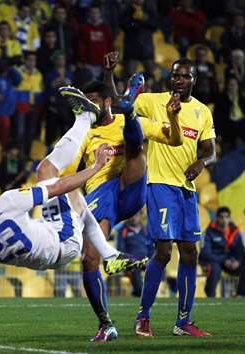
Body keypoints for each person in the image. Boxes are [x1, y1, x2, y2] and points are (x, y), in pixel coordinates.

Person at [0, 86, 148, 346]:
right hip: (63, 241)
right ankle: (84, 118)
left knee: (72, 196)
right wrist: (97, 167)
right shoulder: (7, 202)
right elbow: (58, 186)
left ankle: (111, 256)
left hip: (44, 256)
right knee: (47, 171)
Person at [68, 58, 183, 341]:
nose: (88, 107)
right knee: (89, 258)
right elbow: (67, 177)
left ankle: (130, 109)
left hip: (131, 188)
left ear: (108, 102)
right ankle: (105, 323)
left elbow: (175, 140)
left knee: (135, 149)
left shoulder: (120, 121)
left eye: (93, 101)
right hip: (100, 194)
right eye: (85, 103)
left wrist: (174, 116)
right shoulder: (84, 133)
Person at [104, 54, 216, 337]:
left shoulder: (203, 112)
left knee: (190, 253)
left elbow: (210, 150)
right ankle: (143, 316)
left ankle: (183, 321)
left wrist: (202, 162)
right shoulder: (153, 101)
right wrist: (109, 73)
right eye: (176, 75)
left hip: (186, 189)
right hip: (159, 184)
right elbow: (118, 101)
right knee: (164, 251)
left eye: (185, 76)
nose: (179, 80)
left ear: (194, 80)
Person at [199, 206, 245, 297]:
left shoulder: (234, 232)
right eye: (221, 217)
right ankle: (210, 296)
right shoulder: (209, 232)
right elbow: (205, 253)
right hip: (213, 260)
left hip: (229, 261)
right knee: (215, 269)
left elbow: (240, 251)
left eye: (226, 217)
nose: (224, 220)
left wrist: (238, 261)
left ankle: (240, 295)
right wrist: (223, 260)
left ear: (229, 218)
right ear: (217, 218)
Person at [112, 211, 155, 297]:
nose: (133, 218)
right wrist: (134, 261)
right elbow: (120, 250)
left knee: (156, 269)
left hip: (146, 261)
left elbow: (151, 249)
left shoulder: (146, 230)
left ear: (140, 217)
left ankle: (141, 293)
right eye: (131, 215)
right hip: (131, 262)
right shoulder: (122, 231)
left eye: (136, 215)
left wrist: (150, 260)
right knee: (135, 271)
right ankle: (142, 295)